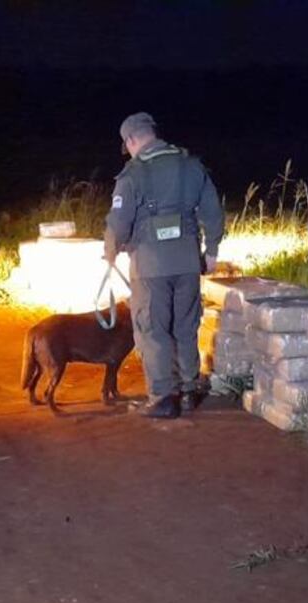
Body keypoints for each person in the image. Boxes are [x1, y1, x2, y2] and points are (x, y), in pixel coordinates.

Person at [104, 112, 224, 419]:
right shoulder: (191, 165)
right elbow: (212, 211)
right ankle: (188, 390)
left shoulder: (132, 173)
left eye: (127, 145)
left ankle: (161, 397)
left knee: (153, 329)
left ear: (131, 140)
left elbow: (119, 221)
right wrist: (211, 250)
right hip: (187, 260)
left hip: (149, 264)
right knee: (186, 326)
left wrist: (110, 251)